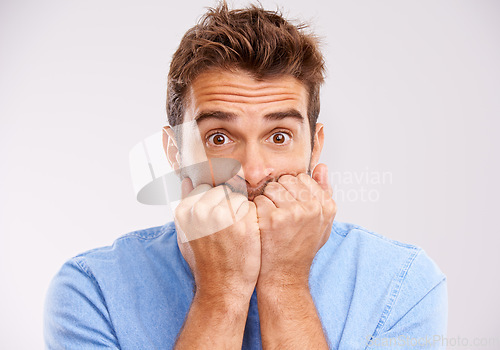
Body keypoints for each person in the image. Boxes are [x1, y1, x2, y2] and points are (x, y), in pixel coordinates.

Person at [44, 2, 447, 349]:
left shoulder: (405, 282)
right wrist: (221, 295)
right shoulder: (90, 291)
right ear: (174, 153)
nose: (253, 171)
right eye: (219, 137)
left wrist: (285, 284)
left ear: (315, 146)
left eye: (279, 135)